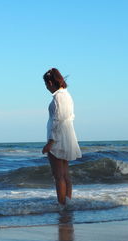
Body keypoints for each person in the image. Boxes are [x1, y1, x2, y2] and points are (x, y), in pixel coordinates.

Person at [42, 68, 82, 206]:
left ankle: (62, 205)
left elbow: (57, 120)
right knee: (65, 175)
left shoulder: (58, 97)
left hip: (58, 138)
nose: (46, 87)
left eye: (46, 84)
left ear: (51, 82)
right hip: (67, 136)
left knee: (58, 176)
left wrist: (50, 142)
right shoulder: (67, 95)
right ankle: (67, 203)